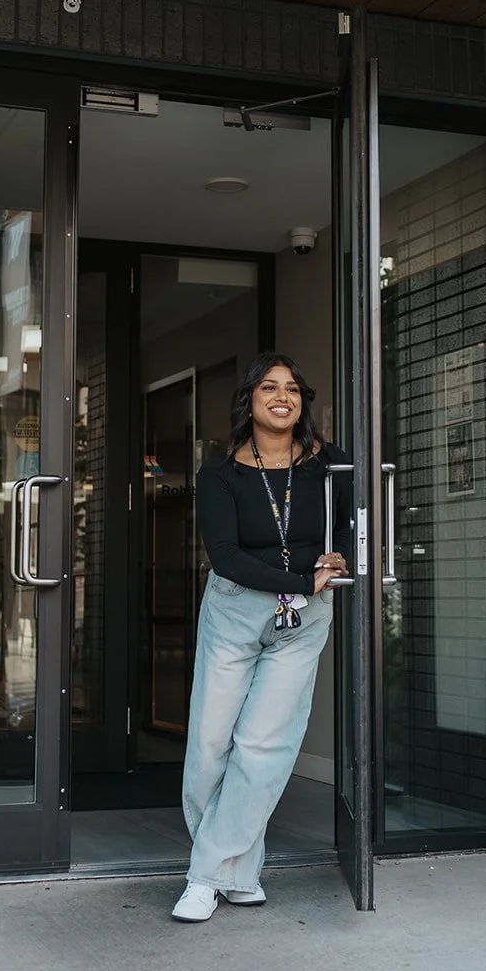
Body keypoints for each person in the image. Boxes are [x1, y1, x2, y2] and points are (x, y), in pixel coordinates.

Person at [172, 353, 348, 922]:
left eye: (293, 388)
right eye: (269, 387)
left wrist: (337, 558)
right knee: (210, 742)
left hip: (304, 616)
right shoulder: (220, 473)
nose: (283, 396)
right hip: (235, 610)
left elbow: (348, 527)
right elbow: (225, 557)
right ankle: (237, 869)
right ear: (248, 399)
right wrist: (300, 578)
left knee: (264, 746)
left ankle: (207, 877)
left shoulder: (330, 466)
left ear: (303, 401)